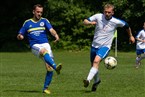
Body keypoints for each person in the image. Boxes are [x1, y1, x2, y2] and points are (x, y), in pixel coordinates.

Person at [83, 3, 135, 92]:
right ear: (103, 11)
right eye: (105, 12)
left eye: (109, 12)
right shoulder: (98, 16)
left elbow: (127, 26)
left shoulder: (116, 22)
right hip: (94, 45)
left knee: (96, 61)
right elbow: (85, 21)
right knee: (94, 65)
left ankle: (88, 80)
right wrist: (90, 23)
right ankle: (97, 81)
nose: (107, 14)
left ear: (112, 13)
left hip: (105, 47)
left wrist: (130, 36)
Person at [17, 4, 62, 94]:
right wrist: (20, 36)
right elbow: (20, 34)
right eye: (38, 12)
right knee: (44, 52)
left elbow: (51, 30)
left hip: (46, 44)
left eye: (41, 12)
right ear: (33, 12)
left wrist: (56, 35)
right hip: (35, 46)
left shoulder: (45, 21)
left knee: (49, 69)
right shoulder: (27, 22)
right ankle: (56, 67)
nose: (39, 14)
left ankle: (45, 88)